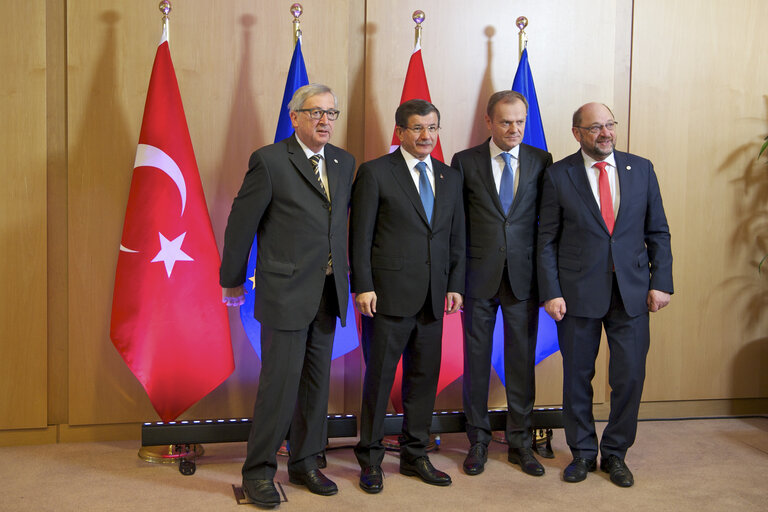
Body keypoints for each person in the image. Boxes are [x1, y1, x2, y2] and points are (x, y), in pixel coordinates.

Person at [219, 84, 355, 507]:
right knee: (279, 387)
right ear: (294, 117)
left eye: (331, 113)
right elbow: (242, 224)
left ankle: (306, 463)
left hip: (329, 292)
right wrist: (232, 279)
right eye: (316, 113)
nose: (325, 121)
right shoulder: (270, 161)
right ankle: (258, 472)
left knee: (317, 385)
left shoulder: (343, 162)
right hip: (285, 292)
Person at [537, 102, 673, 487]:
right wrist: (551, 291)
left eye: (609, 125)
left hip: (631, 293)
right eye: (595, 128)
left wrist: (660, 281)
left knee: (629, 377)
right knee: (578, 377)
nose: (605, 133)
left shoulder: (641, 168)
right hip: (577, 294)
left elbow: (658, 231)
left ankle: (615, 454)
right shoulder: (558, 174)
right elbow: (546, 239)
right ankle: (581, 453)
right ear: (577, 133)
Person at [350, 99, 465, 494]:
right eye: (417, 128)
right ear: (399, 132)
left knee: (422, 382)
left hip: (434, 299)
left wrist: (455, 284)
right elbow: (360, 236)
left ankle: (416, 456)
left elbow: (456, 238)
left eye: (432, 128)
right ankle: (369, 459)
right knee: (379, 382)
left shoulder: (451, 177)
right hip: (386, 299)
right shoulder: (375, 173)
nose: (425, 136)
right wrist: (362, 286)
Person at [450, 90, 553, 477]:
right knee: (475, 362)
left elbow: (548, 226)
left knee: (521, 363)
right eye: (506, 122)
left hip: (524, 280)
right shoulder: (464, 162)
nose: (514, 129)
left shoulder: (541, 160)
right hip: (477, 279)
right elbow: (455, 226)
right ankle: (477, 440)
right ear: (489, 122)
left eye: (520, 122)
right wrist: (454, 281)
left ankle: (520, 442)